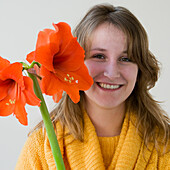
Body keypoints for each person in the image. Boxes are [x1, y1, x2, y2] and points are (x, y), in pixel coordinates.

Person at [16, 3, 170, 169]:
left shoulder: (165, 145)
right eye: (99, 56)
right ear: (74, 63)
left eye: (126, 59)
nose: (112, 73)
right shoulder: (40, 146)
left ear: (140, 69)